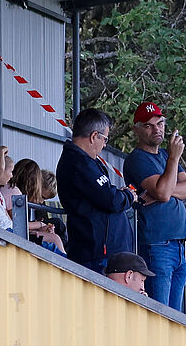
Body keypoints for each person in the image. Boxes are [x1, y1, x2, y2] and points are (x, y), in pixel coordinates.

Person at [124, 101, 186, 312]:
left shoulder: (165, 156)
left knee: (176, 315)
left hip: (179, 244)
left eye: (160, 123)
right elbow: (164, 193)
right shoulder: (137, 159)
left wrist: (162, 189)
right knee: (160, 312)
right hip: (157, 245)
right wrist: (174, 159)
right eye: (149, 125)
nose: (157, 129)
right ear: (136, 129)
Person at [55, 109, 135, 274]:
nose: (105, 145)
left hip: (102, 253)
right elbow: (110, 199)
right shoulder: (79, 163)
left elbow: (103, 193)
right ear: (94, 136)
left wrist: (118, 194)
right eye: (105, 139)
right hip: (96, 255)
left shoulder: (86, 162)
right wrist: (128, 196)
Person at [11, 160, 64, 255]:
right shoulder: (19, 198)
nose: (41, 201)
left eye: (45, 199)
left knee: (58, 224)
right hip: (22, 234)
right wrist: (40, 225)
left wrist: (47, 229)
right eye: (42, 196)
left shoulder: (40, 206)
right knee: (55, 238)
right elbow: (17, 224)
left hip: (33, 231)